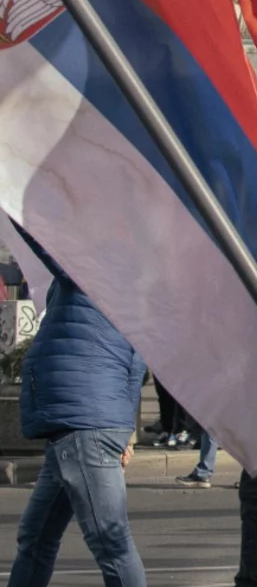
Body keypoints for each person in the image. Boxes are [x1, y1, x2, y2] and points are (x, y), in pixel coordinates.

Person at [8, 228, 147, 587]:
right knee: (35, 538)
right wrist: (127, 430)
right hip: (80, 424)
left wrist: (12, 192)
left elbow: (44, 240)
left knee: (110, 542)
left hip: (85, 424)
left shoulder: (97, 266)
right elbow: (136, 363)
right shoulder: (129, 281)